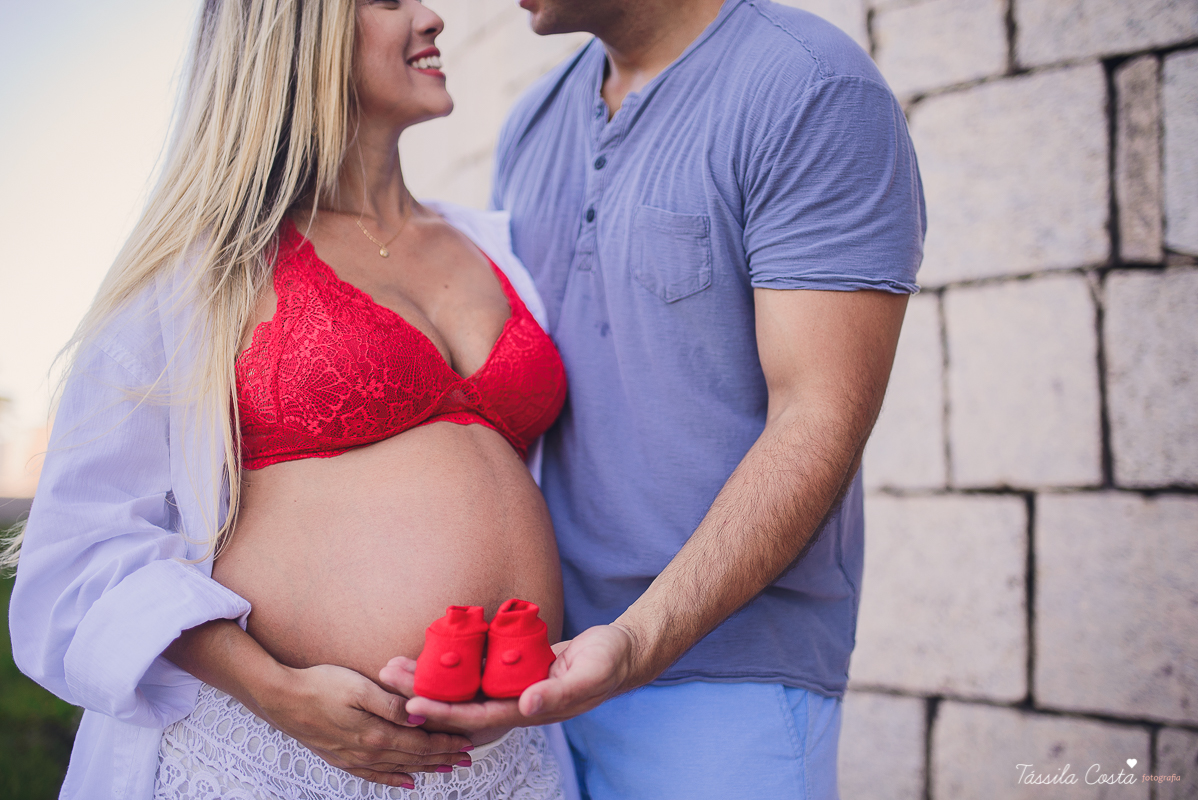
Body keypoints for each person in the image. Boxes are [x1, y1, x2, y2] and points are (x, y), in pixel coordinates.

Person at [8, 1, 579, 798]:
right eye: (390, 2)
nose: (433, 17)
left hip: (501, 767)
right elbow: (82, 552)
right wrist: (274, 693)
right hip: (272, 754)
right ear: (300, 32)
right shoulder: (205, 266)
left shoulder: (496, 246)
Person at [384, 1, 925, 797]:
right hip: (540, 682)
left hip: (727, 685)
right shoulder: (533, 122)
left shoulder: (810, 88)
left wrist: (636, 641)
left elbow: (821, 415)